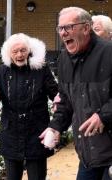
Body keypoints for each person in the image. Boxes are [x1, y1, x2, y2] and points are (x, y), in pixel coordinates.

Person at [39, 7, 112, 180]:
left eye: (68, 27)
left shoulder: (109, 53)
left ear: (86, 28)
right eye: (60, 28)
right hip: (88, 155)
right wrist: (56, 126)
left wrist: (103, 116)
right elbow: (65, 101)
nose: (63, 33)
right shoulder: (64, 59)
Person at [0, 33, 58, 180]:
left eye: (23, 50)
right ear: (8, 53)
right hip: (11, 132)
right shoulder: (3, 71)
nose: (19, 54)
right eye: (15, 51)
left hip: (36, 132)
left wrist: (58, 103)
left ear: (29, 51)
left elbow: (55, 93)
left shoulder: (41, 69)